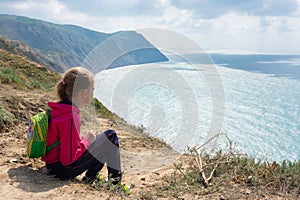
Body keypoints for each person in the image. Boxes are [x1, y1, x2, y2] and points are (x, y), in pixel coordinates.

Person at [42, 67, 122, 185]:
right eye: (92, 90)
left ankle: (90, 179)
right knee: (110, 136)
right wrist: (87, 141)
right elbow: (68, 159)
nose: (93, 94)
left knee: (101, 141)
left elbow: (63, 142)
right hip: (63, 169)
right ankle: (115, 184)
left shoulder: (59, 109)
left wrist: (85, 141)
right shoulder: (70, 117)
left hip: (52, 165)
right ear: (84, 93)